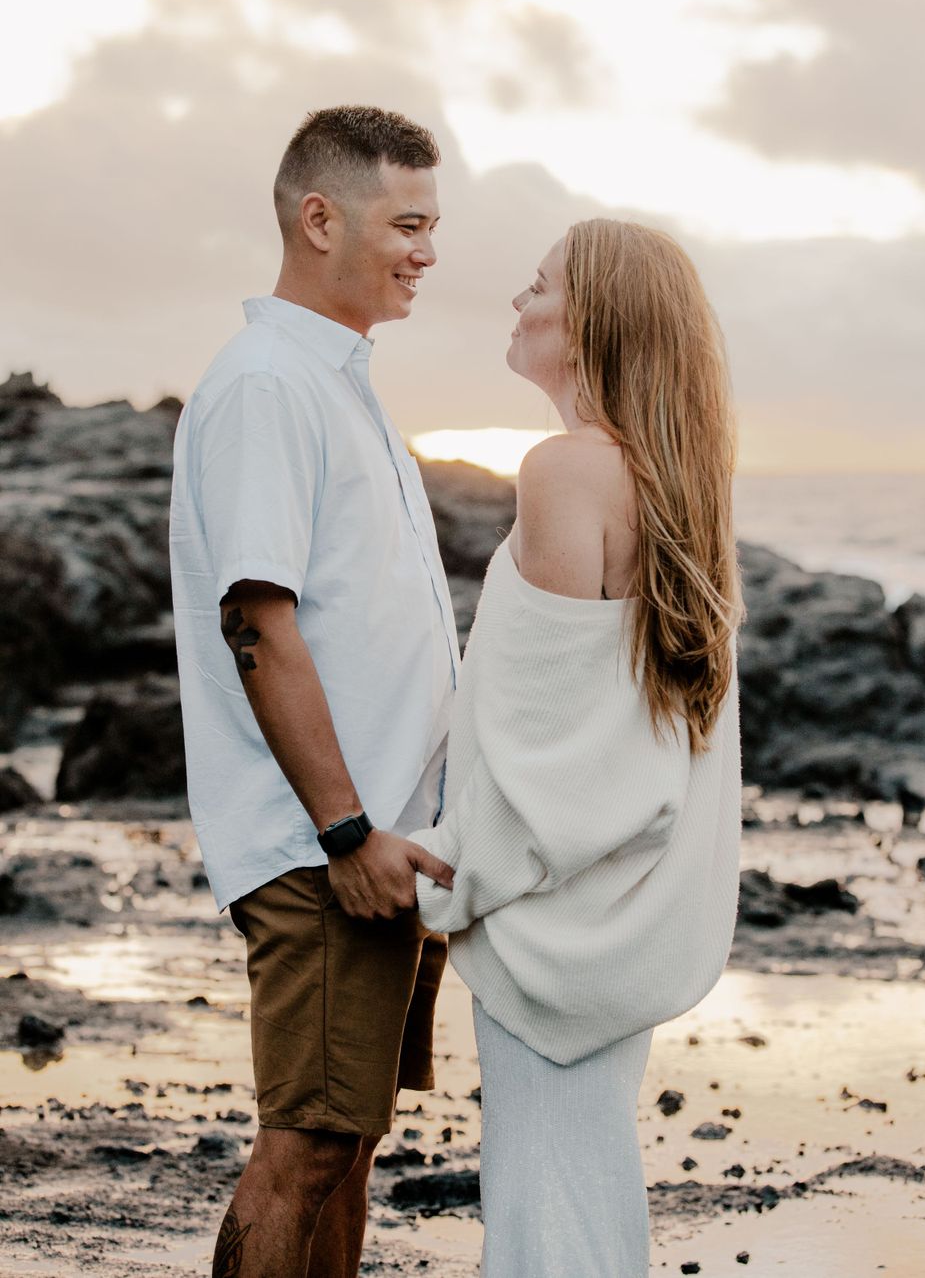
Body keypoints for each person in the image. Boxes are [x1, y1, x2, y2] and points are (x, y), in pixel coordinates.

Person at [411, 218, 744, 1277]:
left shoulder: (564, 470)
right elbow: (624, 728)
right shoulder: (673, 480)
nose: (518, 301)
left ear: (592, 318)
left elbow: (542, 743)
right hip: (625, 906)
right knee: (585, 1177)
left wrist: (451, 882)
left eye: (538, 284)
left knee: (543, 1199)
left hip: (553, 916)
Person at [169, 106, 459, 1278]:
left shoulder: (335, 380)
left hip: (379, 842)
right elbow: (258, 617)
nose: (427, 253)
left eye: (432, 226)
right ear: (319, 217)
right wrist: (344, 830)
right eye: (409, 223)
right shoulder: (266, 387)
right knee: (305, 1145)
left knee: (347, 1143)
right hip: (325, 847)